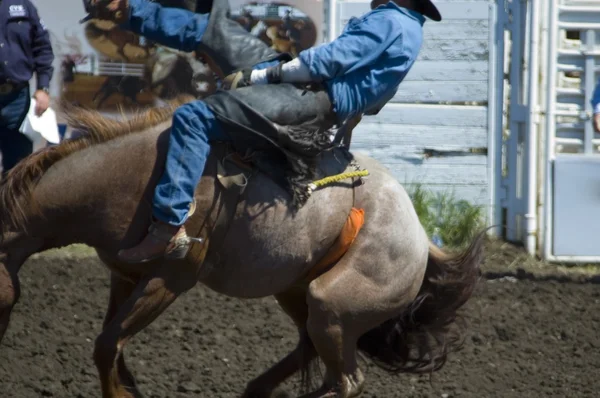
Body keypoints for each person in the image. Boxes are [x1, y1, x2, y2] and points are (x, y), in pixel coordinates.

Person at [84, 0, 441, 263]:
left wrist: (262, 76)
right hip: (308, 88)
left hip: (310, 98)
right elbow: (372, 98)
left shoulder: (390, 21)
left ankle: (168, 227)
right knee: (213, 30)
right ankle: (130, 10)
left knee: (193, 118)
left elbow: (329, 61)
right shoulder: (406, 28)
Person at [0, 0, 54, 176]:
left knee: (19, 169)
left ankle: (11, 204)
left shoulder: (24, 7)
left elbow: (43, 48)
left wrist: (43, 87)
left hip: (17, 100)